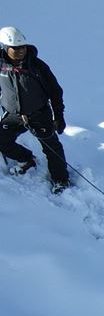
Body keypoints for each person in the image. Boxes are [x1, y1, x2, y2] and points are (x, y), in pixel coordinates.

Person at [0, 27, 69, 193]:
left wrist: (58, 116)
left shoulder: (37, 67)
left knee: (52, 147)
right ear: (4, 47)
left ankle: (61, 180)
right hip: (13, 115)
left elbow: (55, 91)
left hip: (39, 114)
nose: (20, 51)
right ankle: (27, 159)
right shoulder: (1, 65)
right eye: (15, 49)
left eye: (22, 47)